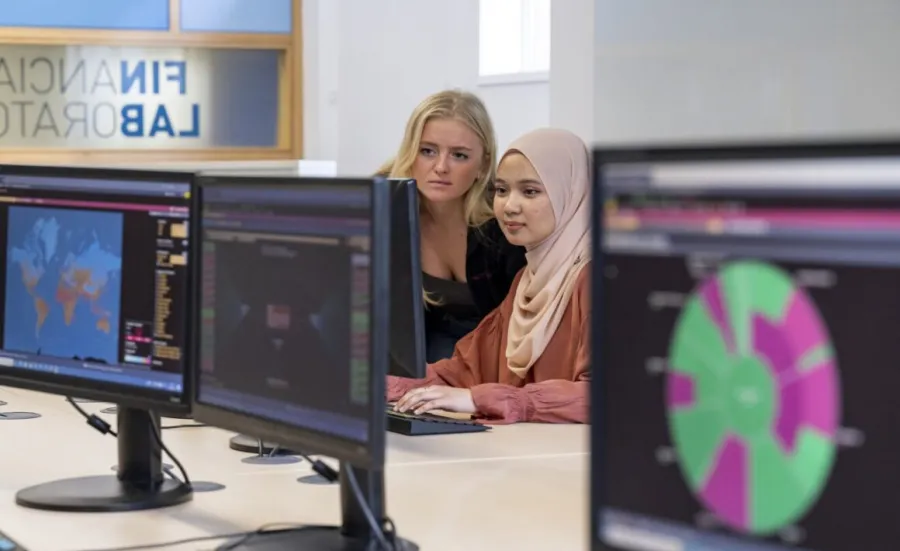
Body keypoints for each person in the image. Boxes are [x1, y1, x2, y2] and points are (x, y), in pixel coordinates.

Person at [387, 128, 591, 424]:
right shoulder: (527, 281)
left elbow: (609, 395)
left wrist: (479, 398)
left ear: (571, 195)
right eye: (502, 190)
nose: (509, 206)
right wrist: (373, 387)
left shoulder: (598, 281)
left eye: (530, 191)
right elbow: (462, 370)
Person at [379, 90, 526, 363]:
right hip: (429, 343)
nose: (441, 167)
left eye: (459, 155)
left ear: (483, 164)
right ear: (410, 152)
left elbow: (525, 329)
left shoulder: (505, 220)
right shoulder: (386, 204)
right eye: (427, 151)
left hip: (499, 349)